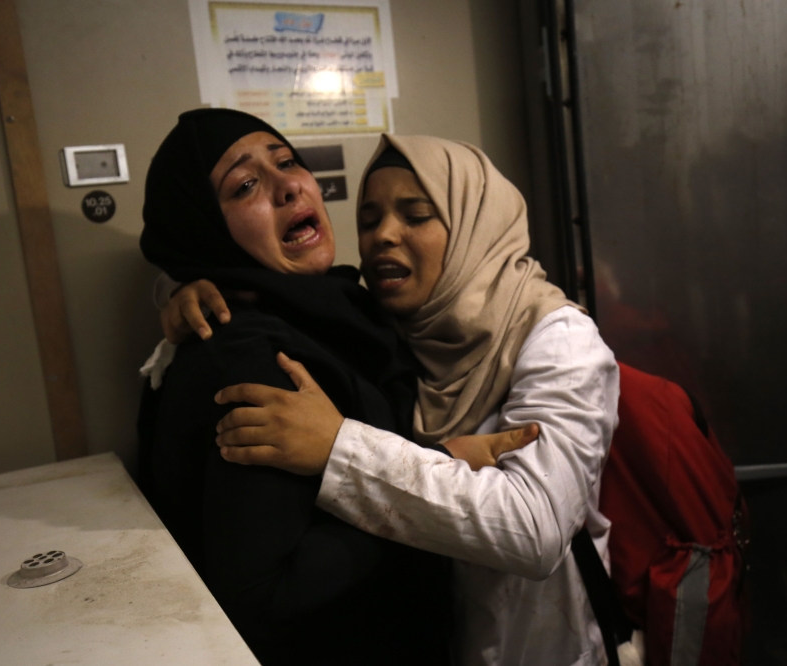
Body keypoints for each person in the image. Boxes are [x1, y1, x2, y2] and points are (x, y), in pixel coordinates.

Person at [177, 135, 621, 665]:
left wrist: (337, 447)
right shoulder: (395, 328)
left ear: (473, 227)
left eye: (415, 216)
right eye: (368, 220)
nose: (384, 236)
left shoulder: (558, 342)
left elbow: (535, 527)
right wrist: (186, 286)